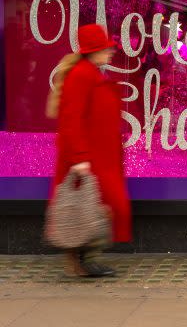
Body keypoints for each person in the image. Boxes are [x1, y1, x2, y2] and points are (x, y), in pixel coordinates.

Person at [47, 24, 132, 277]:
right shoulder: (82, 75)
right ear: (93, 51)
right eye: (105, 48)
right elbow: (70, 119)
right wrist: (80, 158)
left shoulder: (89, 72)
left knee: (98, 207)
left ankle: (84, 261)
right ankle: (85, 261)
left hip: (97, 156)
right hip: (88, 157)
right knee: (96, 207)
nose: (110, 52)